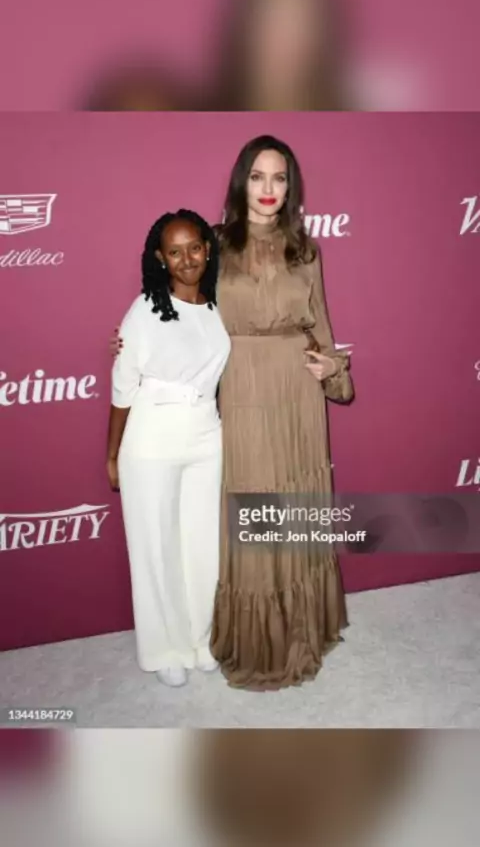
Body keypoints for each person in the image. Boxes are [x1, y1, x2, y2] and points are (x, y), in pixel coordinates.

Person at [111, 135, 353, 690]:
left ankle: (300, 628)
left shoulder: (306, 250)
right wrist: (129, 339)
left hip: (297, 390)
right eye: (258, 176)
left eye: (280, 178)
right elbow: (176, 303)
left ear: (290, 187)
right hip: (241, 388)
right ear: (242, 182)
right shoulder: (216, 244)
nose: (269, 189)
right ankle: (254, 638)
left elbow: (321, 322)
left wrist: (332, 369)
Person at [107, 209, 231, 688]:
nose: (187, 259)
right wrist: (112, 454)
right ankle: (164, 650)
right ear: (160, 258)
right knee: (155, 546)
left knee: (201, 546)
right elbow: (123, 387)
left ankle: (200, 639)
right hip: (152, 436)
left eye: (194, 248)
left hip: (206, 434)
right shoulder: (145, 309)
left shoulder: (218, 306)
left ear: (208, 249)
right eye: (174, 252)